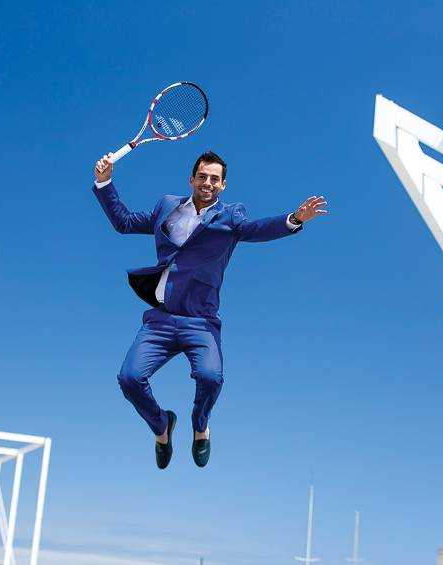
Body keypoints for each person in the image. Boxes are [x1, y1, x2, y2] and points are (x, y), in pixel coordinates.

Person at [92, 150, 327, 469]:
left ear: (223, 185)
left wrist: (294, 219)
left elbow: (257, 229)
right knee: (129, 378)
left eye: (215, 179)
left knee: (211, 377)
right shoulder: (166, 207)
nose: (208, 182)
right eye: (202, 176)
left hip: (201, 322)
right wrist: (104, 182)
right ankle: (162, 427)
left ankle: (200, 426)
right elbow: (124, 222)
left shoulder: (231, 216)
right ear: (191, 179)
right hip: (161, 319)